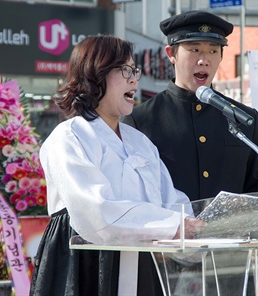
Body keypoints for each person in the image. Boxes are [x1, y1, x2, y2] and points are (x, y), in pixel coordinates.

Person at [30, 35, 204, 296]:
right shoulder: (70, 136)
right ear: (95, 74)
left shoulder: (141, 142)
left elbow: (171, 200)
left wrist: (196, 227)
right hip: (85, 263)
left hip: (143, 263)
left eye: (134, 70)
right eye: (125, 70)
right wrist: (171, 225)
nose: (134, 79)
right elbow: (95, 209)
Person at [122, 10, 258, 203]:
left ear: (221, 56)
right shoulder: (140, 120)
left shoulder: (245, 118)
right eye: (194, 50)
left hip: (230, 233)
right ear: (171, 54)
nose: (204, 60)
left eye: (213, 51)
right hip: (169, 233)